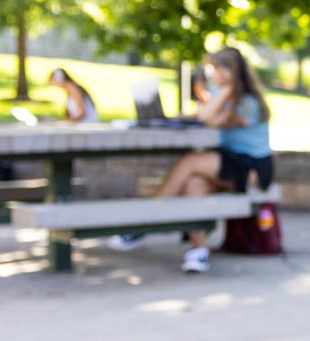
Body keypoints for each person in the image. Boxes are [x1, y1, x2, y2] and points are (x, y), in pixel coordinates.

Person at [113, 47, 274, 272]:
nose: (212, 77)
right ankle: (199, 252)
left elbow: (207, 117)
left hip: (252, 166)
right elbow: (205, 115)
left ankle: (146, 222)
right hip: (231, 161)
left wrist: (226, 91)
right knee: (193, 184)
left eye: (215, 71)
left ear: (230, 72)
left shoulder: (248, 102)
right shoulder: (222, 93)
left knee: (190, 161)